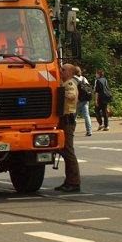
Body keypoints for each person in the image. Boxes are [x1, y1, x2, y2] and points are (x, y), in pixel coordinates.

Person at [56, 62, 81, 192]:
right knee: (65, 152)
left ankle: (74, 181)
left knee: (69, 152)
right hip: (63, 120)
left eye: (63, 69)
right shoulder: (64, 83)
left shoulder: (70, 83)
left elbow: (72, 96)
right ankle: (68, 181)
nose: (61, 71)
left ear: (70, 72)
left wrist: (60, 93)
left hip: (68, 121)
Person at [74, 66, 93, 136]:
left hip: (77, 100)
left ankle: (71, 130)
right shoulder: (84, 78)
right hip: (85, 99)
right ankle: (89, 131)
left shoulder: (73, 79)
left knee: (74, 116)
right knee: (86, 115)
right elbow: (88, 87)